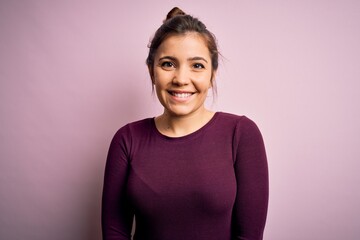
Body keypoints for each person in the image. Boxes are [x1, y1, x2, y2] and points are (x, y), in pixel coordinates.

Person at [102, 7, 268, 240]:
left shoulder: (241, 134)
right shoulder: (127, 139)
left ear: (212, 74)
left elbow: (249, 236)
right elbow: (115, 232)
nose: (181, 79)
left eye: (197, 65)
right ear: (152, 71)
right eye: (168, 64)